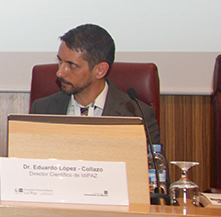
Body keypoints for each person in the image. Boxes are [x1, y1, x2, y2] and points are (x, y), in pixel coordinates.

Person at [30, 24, 161, 144]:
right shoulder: (42, 110)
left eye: (72, 65)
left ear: (100, 70)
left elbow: (153, 167)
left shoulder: (137, 115)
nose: (60, 73)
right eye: (60, 62)